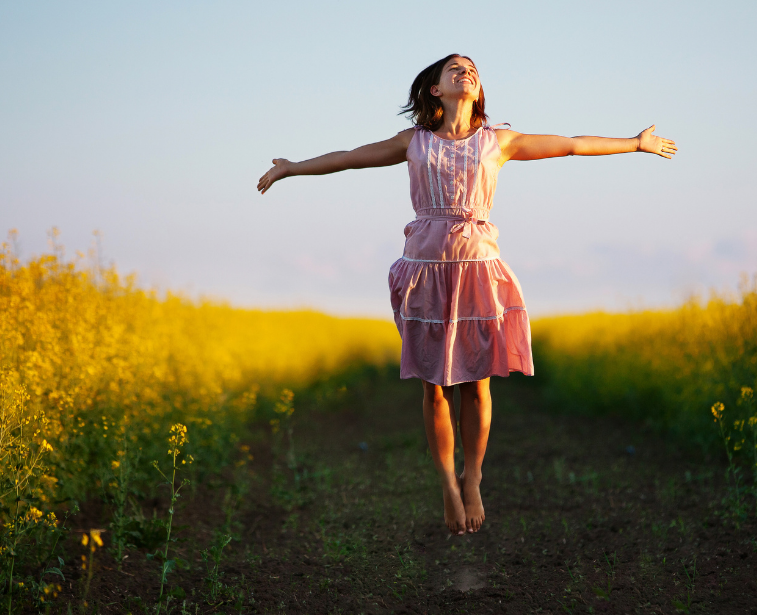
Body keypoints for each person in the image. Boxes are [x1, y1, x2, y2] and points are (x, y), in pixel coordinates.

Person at [257, 54, 676, 536]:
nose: (466, 73)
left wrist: (635, 144)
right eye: (455, 69)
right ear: (434, 89)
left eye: (472, 70)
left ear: (478, 92)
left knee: (478, 382)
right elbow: (350, 157)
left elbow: (574, 145)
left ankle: (472, 477)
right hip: (425, 272)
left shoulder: (498, 141)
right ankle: (446, 484)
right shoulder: (412, 143)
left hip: (478, 270)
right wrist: (291, 168)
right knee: (434, 389)